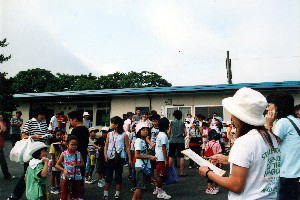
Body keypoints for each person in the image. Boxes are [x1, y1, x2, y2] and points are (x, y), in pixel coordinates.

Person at [198, 87, 280, 199]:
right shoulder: (271, 137)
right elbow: (258, 161)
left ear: (238, 116)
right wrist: (228, 159)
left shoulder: (244, 142)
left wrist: (208, 173)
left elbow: (236, 185)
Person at [7, 109, 49, 200]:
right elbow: (23, 136)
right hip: (32, 152)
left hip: (42, 151)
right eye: (43, 115)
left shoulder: (44, 123)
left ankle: (38, 194)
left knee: (39, 174)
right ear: (38, 114)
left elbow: (46, 133)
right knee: (28, 174)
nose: (44, 117)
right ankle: (15, 195)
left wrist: (48, 135)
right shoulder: (30, 122)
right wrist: (34, 136)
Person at [265, 93, 300, 200]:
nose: (267, 108)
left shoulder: (283, 122)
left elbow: (268, 144)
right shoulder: (296, 120)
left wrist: (268, 124)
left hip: (288, 175)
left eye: (269, 105)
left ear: (278, 106)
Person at [103, 116, 132, 200]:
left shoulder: (124, 135)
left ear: (117, 124)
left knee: (118, 177)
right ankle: (105, 194)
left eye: (112, 123)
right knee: (108, 177)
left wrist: (129, 159)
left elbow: (127, 147)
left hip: (120, 158)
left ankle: (117, 194)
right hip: (109, 157)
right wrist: (105, 155)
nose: (111, 124)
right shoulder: (109, 134)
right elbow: (106, 146)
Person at [132, 124, 157, 200]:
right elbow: (137, 155)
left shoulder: (144, 141)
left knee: (139, 187)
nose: (146, 131)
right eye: (143, 130)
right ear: (139, 132)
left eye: (147, 130)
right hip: (141, 166)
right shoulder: (138, 141)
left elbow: (144, 152)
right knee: (140, 187)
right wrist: (150, 156)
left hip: (145, 165)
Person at [56, 135, 85, 200]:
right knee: (64, 193)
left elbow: (83, 164)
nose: (74, 146)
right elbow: (57, 165)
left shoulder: (78, 153)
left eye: (76, 145)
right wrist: (64, 170)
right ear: (67, 144)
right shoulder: (64, 154)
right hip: (66, 177)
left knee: (75, 193)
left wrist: (77, 164)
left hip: (76, 177)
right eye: (72, 144)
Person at [68, 111, 89, 197]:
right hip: (83, 154)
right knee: (81, 175)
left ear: (75, 119)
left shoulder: (75, 130)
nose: (70, 122)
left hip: (75, 156)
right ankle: (81, 194)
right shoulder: (86, 129)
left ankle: (75, 195)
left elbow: (72, 145)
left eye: (70, 120)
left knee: (73, 176)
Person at [154, 117, 171, 199]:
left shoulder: (160, 134)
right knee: (161, 175)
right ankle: (160, 192)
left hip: (159, 157)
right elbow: (163, 148)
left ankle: (158, 189)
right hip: (161, 158)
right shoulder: (163, 135)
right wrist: (166, 160)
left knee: (159, 174)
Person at [168, 110, 187, 176]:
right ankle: (182, 172)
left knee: (171, 156)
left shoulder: (172, 123)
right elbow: (185, 133)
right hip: (180, 141)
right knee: (181, 156)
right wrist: (182, 136)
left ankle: (169, 172)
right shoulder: (182, 123)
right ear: (181, 116)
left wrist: (170, 136)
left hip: (172, 140)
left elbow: (169, 132)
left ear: (174, 115)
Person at [203, 129, 222, 195]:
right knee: (216, 175)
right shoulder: (217, 144)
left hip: (209, 161)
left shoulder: (208, 143)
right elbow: (219, 154)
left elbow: (205, 151)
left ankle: (209, 188)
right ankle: (216, 187)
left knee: (209, 174)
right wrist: (220, 163)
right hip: (215, 161)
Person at [49, 128, 66, 194]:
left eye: (61, 134)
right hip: (55, 162)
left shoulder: (64, 144)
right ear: (55, 136)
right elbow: (52, 154)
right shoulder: (53, 144)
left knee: (58, 174)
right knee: (54, 175)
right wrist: (53, 163)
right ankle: (52, 187)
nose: (59, 136)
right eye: (57, 135)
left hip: (61, 162)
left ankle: (58, 186)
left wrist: (64, 145)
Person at [0, 113, 14, 180]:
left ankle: (7, 175)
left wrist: (1, 122)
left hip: (0, 144)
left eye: (1, 117)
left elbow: (4, 130)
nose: (1, 118)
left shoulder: (3, 123)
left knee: (3, 161)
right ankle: (7, 176)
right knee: (3, 161)